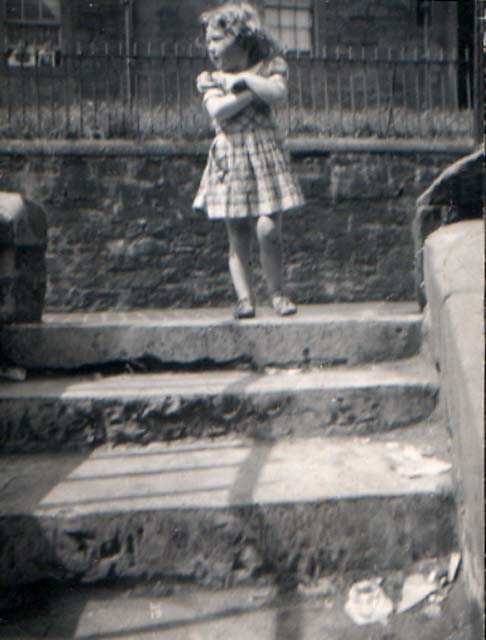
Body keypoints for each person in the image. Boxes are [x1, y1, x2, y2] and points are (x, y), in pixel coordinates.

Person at [193, 2, 305, 319]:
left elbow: (278, 93)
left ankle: (278, 293)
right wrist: (250, 92)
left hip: (265, 155)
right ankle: (245, 299)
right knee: (237, 234)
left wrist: (245, 81)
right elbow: (217, 111)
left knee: (268, 230)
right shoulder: (210, 79)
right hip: (231, 159)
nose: (210, 47)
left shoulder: (270, 65)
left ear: (241, 38)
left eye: (217, 39)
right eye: (209, 41)